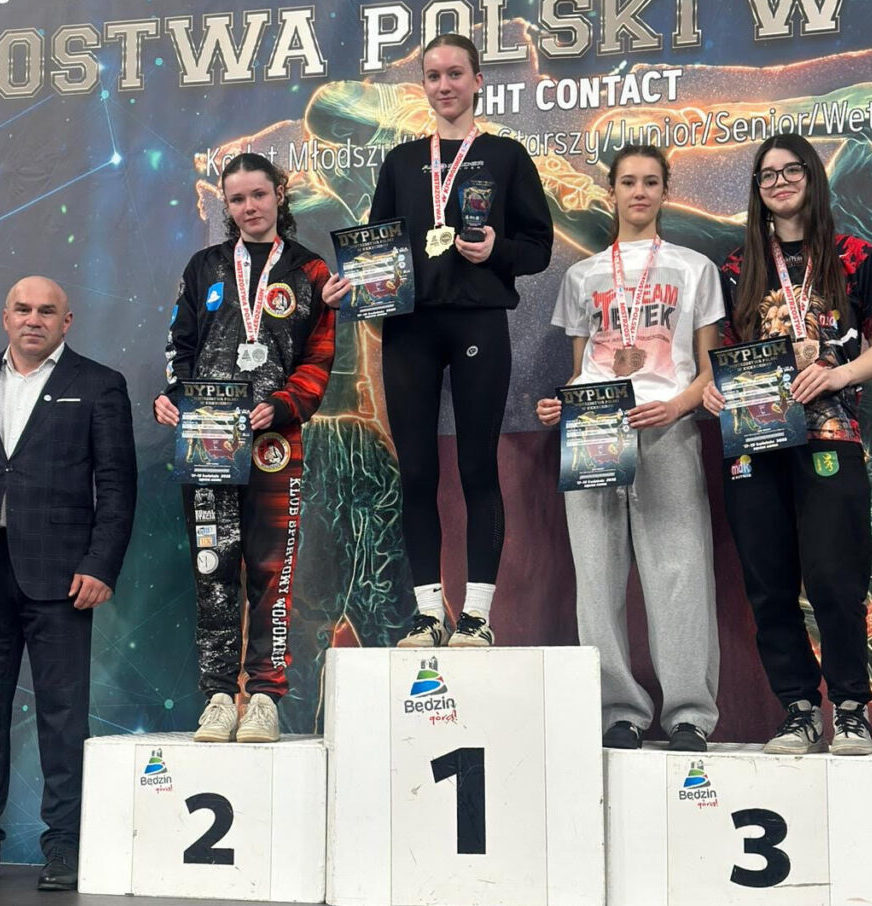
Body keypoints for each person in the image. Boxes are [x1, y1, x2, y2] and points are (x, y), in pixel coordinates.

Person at [324, 33, 553, 648]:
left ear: (478, 81)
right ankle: (428, 615)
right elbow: (375, 245)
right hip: (410, 328)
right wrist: (351, 284)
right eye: (433, 75)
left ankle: (476, 615)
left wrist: (496, 250)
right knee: (417, 471)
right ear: (422, 85)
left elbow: (538, 248)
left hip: (478, 322)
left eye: (456, 73)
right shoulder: (401, 161)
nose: (444, 85)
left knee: (477, 466)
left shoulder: (506, 156)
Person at [0, 276, 137, 890]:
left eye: (46, 311)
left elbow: (118, 486)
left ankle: (64, 847)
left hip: (63, 577)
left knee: (63, 718)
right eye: (22, 309)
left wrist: (101, 564)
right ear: (5, 317)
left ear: (67, 322)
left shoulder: (100, 383)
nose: (33, 319)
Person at [703, 133, 872, 756]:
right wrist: (714, 392)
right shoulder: (738, 267)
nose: (779, 182)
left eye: (791, 171)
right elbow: (723, 358)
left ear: (812, 177)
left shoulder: (855, 254)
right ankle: (798, 710)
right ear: (757, 190)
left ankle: (851, 709)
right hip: (754, 442)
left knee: (836, 577)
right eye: (767, 175)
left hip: (830, 434)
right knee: (768, 582)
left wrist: (839, 375)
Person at [536, 145, 721, 752]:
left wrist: (680, 406)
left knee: (681, 572)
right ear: (610, 191)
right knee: (597, 576)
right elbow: (579, 371)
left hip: (667, 427)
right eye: (628, 182)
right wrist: (561, 404)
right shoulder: (582, 277)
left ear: (665, 191)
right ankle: (619, 710)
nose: (639, 192)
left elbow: (708, 369)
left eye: (650, 182)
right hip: (593, 433)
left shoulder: (695, 268)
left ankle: (689, 713)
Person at [155, 152, 335, 744]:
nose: (249, 207)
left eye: (259, 194)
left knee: (271, 573)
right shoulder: (204, 266)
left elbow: (318, 360)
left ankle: (262, 697)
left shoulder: (310, 271)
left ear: (280, 193)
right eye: (237, 199)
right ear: (227, 206)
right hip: (207, 444)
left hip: (275, 444)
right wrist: (172, 399)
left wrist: (282, 404)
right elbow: (179, 346)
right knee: (213, 570)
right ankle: (216, 697)